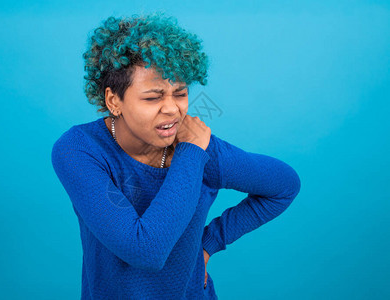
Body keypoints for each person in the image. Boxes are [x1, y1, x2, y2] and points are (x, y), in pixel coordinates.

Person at [51, 12, 301, 300]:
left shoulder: (197, 146)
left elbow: (284, 186)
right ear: (113, 100)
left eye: (180, 93)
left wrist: (209, 243)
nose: (172, 109)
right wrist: (191, 153)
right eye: (153, 97)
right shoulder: (80, 149)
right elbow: (145, 251)